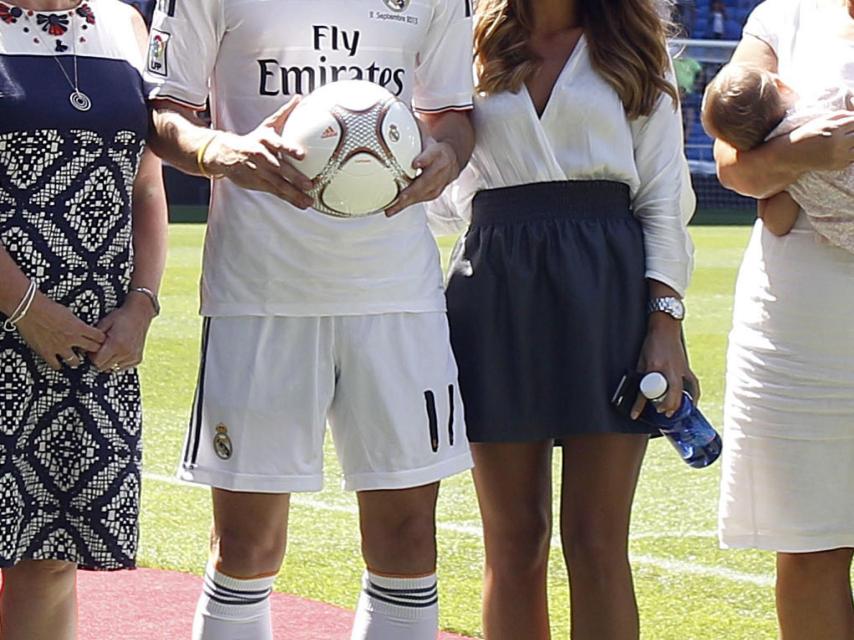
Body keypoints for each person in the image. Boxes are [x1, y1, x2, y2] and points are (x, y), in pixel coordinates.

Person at [143, 2, 475, 639]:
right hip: (261, 292)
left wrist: (448, 156)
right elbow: (164, 111)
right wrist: (219, 149)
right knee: (245, 547)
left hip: (395, 293)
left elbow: (453, 113)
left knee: (408, 541)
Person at [429, 0, 697, 638]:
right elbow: (441, 203)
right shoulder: (461, 45)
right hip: (493, 292)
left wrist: (665, 324)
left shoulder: (635, 44)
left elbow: (662, 194)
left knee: (597, 543)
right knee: (514, 544)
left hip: (607, 291)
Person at [0, 0, 168, 638]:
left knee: (50, 556)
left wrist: (142, 304)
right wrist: (27, 308)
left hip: (91, 343)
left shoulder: (125, 23)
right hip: (14, 323)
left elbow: (146, 188)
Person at [711, 1, 854, 638]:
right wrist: (804, 150)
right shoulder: (785, 15)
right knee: (810, 540)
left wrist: (789, 168)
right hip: (796, 331)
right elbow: (734, 164)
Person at [704, 62, 854, 247]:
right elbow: (848, 99)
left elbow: (777, 225)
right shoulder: (824, 101)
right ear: (781, 86)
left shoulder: (784, 175)